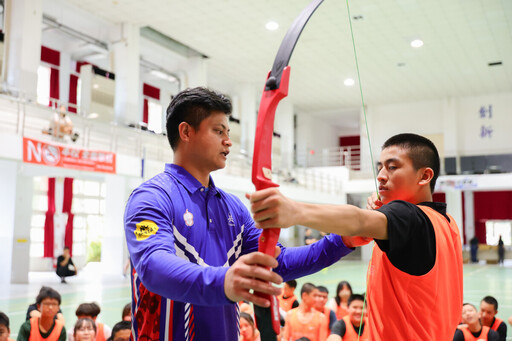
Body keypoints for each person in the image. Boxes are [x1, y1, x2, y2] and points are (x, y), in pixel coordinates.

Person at [124, 87, 353, 341]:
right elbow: (154, 266)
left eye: (228, 133)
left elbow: (277, 262)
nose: (228, 141)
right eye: (218, 131)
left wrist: (342, 241)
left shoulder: (232, 207)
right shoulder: (151, 197)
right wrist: (224, 282)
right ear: (186, 132)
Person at [248, 133, 464, 340]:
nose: (380, 176)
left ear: (425, 176)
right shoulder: (446, 223)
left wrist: (294, 211)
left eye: (392, 167)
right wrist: (380, 213)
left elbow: (358, 221)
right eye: (379, 167)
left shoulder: (410, 218)